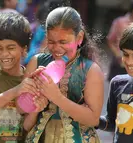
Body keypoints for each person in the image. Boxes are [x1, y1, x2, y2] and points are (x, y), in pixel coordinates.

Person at [23, 7, 104, 143]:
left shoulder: (91, 70)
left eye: (63, 42)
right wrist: (33, 97)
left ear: (79, 38)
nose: (56, 48)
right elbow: (23, 116)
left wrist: (56, 97)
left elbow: (93, 118)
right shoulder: (36, 62)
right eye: (51, 42)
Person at [0, 12, 48, 143]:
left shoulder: (30, 81)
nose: (4, 54)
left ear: (24, 50)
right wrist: (16, 91)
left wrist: (35, 110)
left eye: (11, 48)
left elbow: (26, 127)